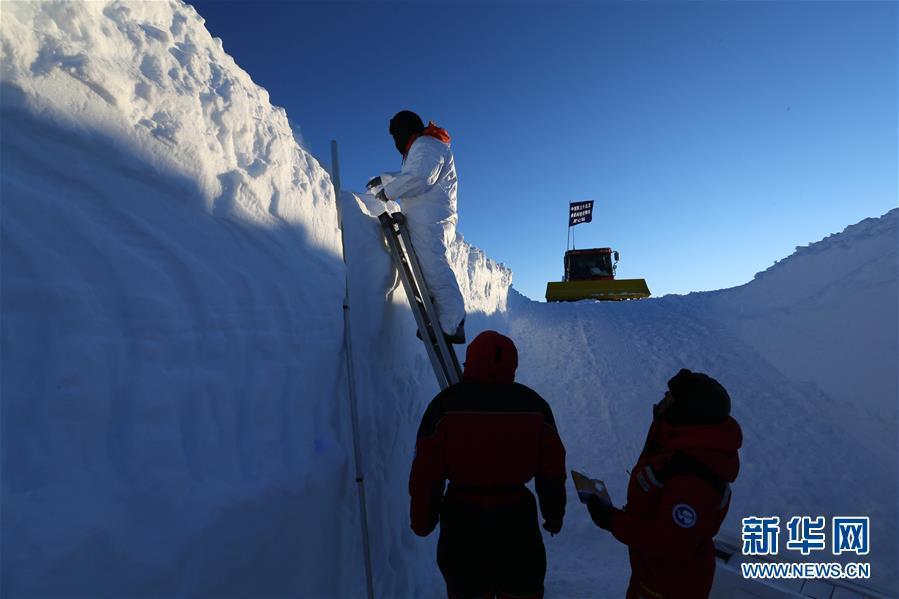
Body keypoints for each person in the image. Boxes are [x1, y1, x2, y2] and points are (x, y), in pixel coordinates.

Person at [408, 331, 567, 599]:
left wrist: (423, 521)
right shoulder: (534, 405)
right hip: (517, 524)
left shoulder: (444, 405)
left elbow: (426, 472)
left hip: (462, 523)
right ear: (512, 365)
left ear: (470, 360)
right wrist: (553, 515)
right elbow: (552, 470)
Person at [584, 369, 742, 599]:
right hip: (653, 577)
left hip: (670, 586)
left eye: (670, 397)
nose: (663, 400)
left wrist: (612, 520)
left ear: (688, 411)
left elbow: (672, 542)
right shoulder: (680, 446)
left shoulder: (694, 478)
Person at [368, 110, 466, 343]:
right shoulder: (423, 147)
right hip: (427, 216)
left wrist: (387, 192)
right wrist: (385, 180)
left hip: (432, 217)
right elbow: (412, 173)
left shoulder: (426, 144)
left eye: (396, 135)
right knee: (429, 266)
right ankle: (446, 318)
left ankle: (452, 322)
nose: (395, 142)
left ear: (406, 130)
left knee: (434, 266)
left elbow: (421, 178)